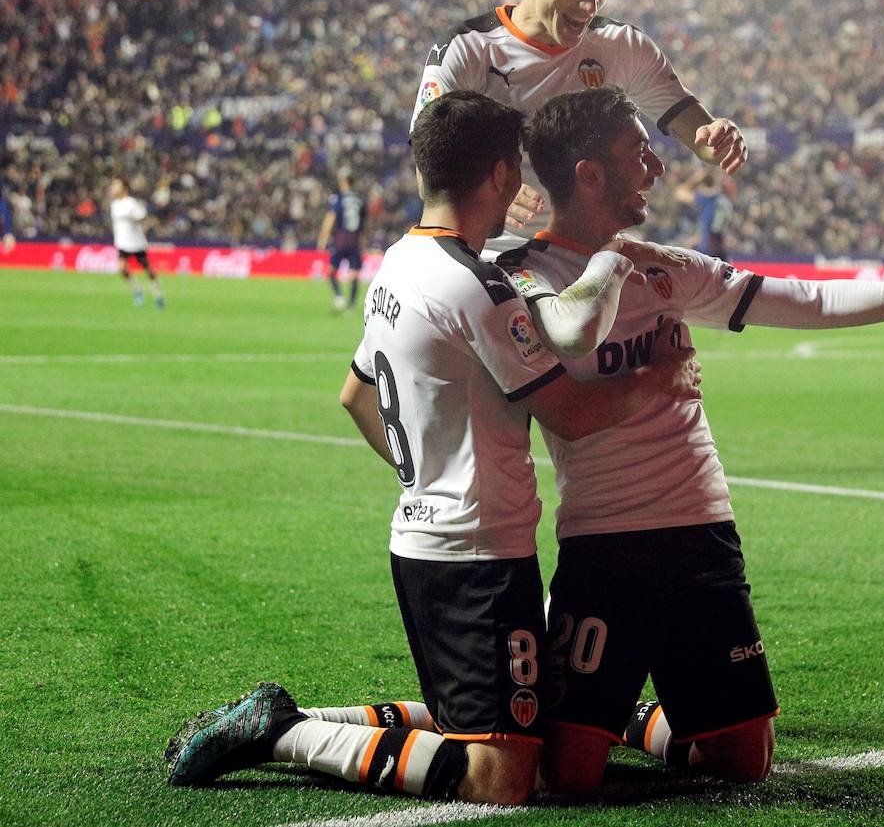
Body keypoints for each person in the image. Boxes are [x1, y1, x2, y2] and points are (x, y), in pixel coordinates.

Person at [164, 91, 703, 806]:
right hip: (477, 556)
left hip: (433, 539)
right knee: (501, 776)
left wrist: (425, 475)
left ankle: (302, 720)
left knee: (493, 719)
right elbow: (570, 414)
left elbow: (354, 395)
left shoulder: (397, 264)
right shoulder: (477, 285)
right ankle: (282, 733)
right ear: (503, 176)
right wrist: (656, 379)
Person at [497, 87, 884, 793]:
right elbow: (559, 404)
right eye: (641, 153)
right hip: (602, 540)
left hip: (701, 530)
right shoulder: (525, 277)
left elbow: (803, 298)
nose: (657, 169)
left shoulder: (667, 266)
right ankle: (617, 712)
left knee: (745, 763)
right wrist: (657, 378)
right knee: (568, 777)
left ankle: (633, 715)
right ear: (589, 173)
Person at [409, 0, 748, 255]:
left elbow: (701, 139)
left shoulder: (623, 46)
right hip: (495, 254)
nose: (589, 4)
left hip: (591, 255)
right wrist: (485, 189)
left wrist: (717, 140)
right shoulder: (467, 48)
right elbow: (428, 169)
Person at [108, 177, 165, 309]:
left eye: (116, 185)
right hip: (123, 243)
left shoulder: (131, 203)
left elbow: (142, 216)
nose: (113, 188)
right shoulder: (114, 205)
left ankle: (158, 295)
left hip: (136, 243)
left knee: (148, 270)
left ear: (125, 189)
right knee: (121, 269)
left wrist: (141, 220)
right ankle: (137, 289)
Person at [316, 171, 369, 312]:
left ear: (344, 182)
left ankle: (339, 296)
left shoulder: (338, 198)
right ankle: (351, 306)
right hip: (355, 240)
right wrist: (363, 243)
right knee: (354, 274)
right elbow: (364, 225)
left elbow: (331, 217)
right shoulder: (360, 199)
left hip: (341, 238)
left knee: (332, 269)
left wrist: (323, 237)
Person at [674, 165, 734, 259]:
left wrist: (697, 177)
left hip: (706, 252)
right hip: (720, 252)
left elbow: (680, 193)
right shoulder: (724, 201)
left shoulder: (707, 198)